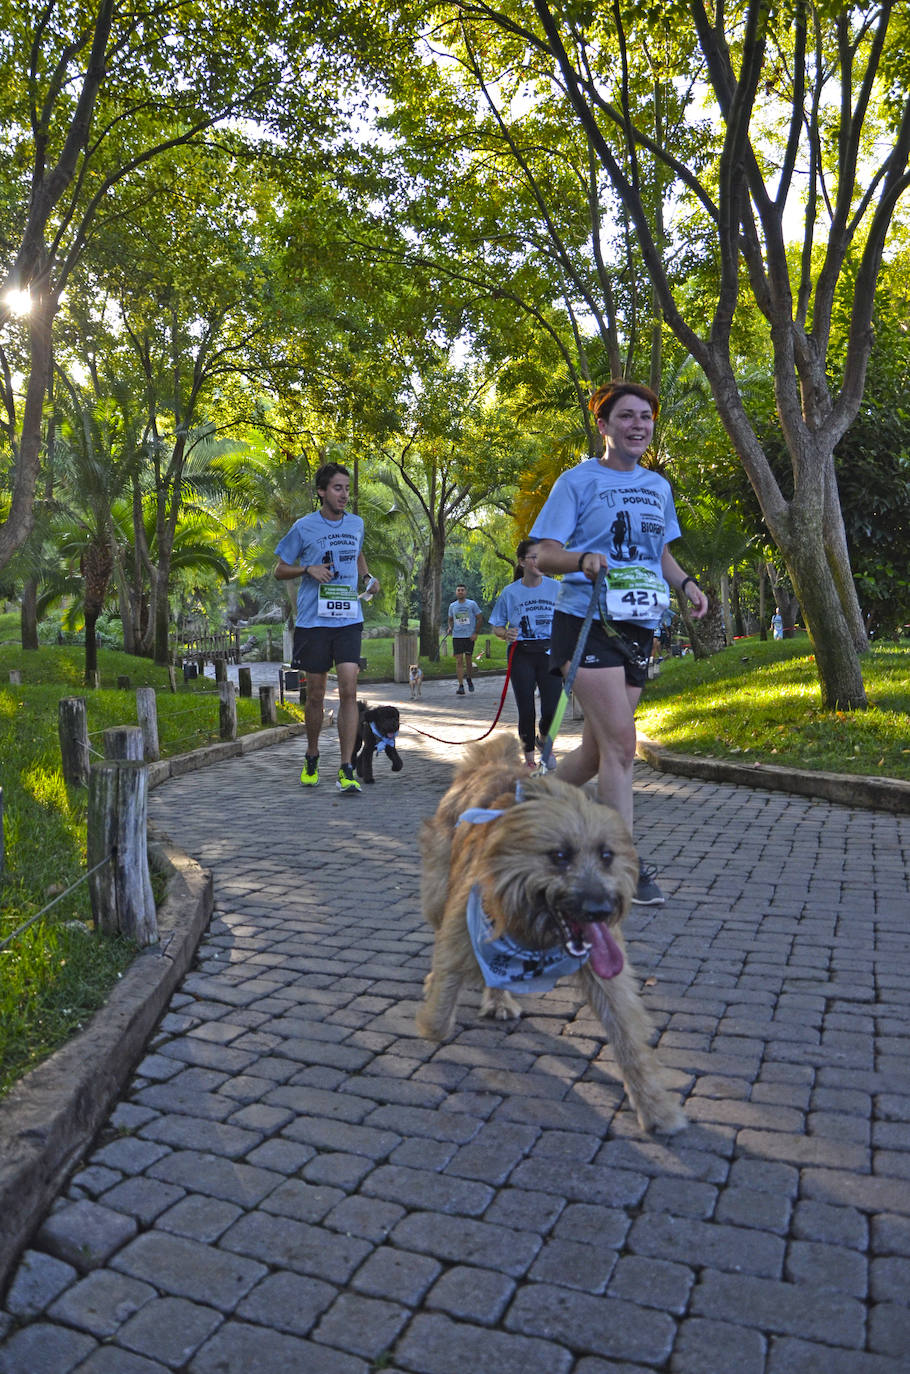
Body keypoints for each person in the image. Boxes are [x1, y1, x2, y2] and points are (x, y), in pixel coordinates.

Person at [531, 381, 709, 905]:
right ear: (604, 426)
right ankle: (622, 865)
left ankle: (532, 803)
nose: (639, 425)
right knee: (623, 748)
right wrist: (583, 560)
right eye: (627, 416)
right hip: (585, 623)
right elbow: (544, 553)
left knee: (595, 752)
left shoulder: (657, 486)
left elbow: (660, 554)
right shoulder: (576, 481)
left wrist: (687, 584)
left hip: (638, 626)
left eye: (646, 418)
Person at [274, 462, 378, 795]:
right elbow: (279, 569)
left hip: (348, 618)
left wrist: (367, 578)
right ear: (321, 491)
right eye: (337, 488)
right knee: (316, 692)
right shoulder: (304, 527)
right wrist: (309, 569)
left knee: (349, 689)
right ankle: (312, 752)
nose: (344, 494)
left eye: (347, 488)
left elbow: (358, 553)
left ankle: (346, 767)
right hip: (313, 621)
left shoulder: (357, 523)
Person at [489, 539, 562, 769]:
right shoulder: (510, 593)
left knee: (552, 709)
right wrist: (505, 634)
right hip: (521, 653)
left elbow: (569, 618)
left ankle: (544, 740)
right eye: (533, 557)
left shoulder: (556, 588)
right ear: (521, 561)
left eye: (542, 557)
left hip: (550, 651)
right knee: (526, 707)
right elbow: (496, 626)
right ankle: (529, 757)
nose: (539, 562)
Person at [446, 584, 483, 695]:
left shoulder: (472, 604)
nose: (460, 592)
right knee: (459, 661)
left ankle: (469, 679)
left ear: (465, 592)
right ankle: (461, 685)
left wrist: (475, 632)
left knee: (468, 660)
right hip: (457, 636)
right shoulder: (452, 606)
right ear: (456, 592)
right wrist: (450, 628)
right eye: (458, 590)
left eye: (462, 590)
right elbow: (450, 619)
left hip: (469, 636)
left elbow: (480, 618)